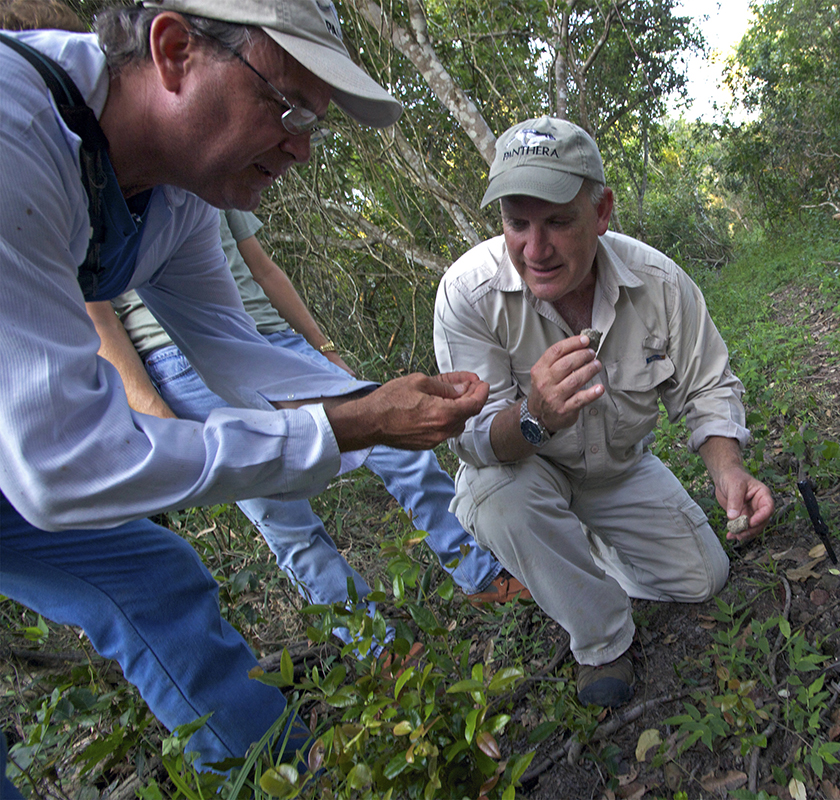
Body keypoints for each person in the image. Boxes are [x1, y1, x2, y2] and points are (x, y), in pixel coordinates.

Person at [0, 0, 489, 781]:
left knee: (154, 579)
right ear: (175, 50)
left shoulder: (178, 192)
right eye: (286, 106)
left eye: (314, 124)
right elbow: (64, 467)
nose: (299, 147)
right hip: (28, 447)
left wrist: (397, 401)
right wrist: (352, 424)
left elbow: (240, 359)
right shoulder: (15, 129)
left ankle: (283, 776)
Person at [433, 117, 775, 708]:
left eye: (558, 222)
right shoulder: (470, 294)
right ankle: (601, 639)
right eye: (517, 224)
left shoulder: (658, 282)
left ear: (602, 212)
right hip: (527, 468)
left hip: (616, 469)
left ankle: (583, 549)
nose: (534, 250)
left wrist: (728, 470)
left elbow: (707, 386)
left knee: (704, 578)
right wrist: (535, 416)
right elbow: (475, 440)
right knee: (497, 498)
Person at [87, 209, 528, 612]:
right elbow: (100, 318)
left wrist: (323, 348)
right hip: (176, 359)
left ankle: (479, 573)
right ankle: (373, 645)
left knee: (398, 443)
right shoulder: (85, 189)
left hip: (269, 338)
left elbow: (261, 267)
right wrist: (155, 413)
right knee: (281, 515)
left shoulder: (200, 173)